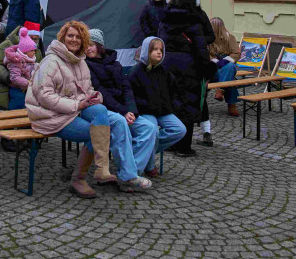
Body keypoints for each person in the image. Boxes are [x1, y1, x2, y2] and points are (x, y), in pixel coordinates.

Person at [26, 21, 149, 197]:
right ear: (62, 37)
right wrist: (78, 105)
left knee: (100, 111)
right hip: (49, 115)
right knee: (96, 132)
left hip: (72, 110)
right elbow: (44, 97)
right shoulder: (51, 61)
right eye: (70, 35)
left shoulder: (80, 61)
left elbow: (88, 89)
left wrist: (96, 97)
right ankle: (78, 179)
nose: (74, 39)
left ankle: (102, 169)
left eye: (78, 37)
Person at [85, 29, 156, 186]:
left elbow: (127, 88)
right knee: (120, 123)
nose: (88, 48)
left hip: (123, 110)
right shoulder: (86, 66)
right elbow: (101, 92)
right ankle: (128, 176)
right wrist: (123, 111)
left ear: (99, 45)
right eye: (85, 45)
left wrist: (131, 111)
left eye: (91, 44)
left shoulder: (115, 63)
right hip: (105, 109)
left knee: (149, 128)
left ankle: (129, 174)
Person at [158, 0, 215, 155]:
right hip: (188, 67)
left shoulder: (164, 21)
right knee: (188, 106)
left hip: (166, 65)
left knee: (170, 104)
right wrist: (208, 69)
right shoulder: (193, 21)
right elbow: (200, 48)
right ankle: (183, 147)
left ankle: (170, 142)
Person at [128, 37, 187, 176]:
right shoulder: (136, 72)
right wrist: (148, 106)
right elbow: (132, 97)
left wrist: (173, 105)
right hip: (145, 111)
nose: (159, 52)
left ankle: (147, 151)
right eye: (155, 49)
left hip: (163, 111)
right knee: (152, 130)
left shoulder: (164, 71)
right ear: (146, 51)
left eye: (161, 49)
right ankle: (148, 166)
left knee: (180, 129)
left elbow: (175, 92)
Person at [0, 23, 43, 111]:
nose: (33, 41)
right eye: (31, 38)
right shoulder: (7, 44)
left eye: (36, 39)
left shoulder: (35, 50)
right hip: (4, 83)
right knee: (18, 100)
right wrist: (9, 78)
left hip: (28, 85)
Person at [208, 17, 243, 116]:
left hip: (226, 64)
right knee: (229, 79)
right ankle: (232, 105)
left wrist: (225, 61)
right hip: (212, 68)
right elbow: (204, 53)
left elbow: (236, 53)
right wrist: (215, 61)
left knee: (230, 67)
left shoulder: (230, 38)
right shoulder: (207, 39)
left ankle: (220, 90)